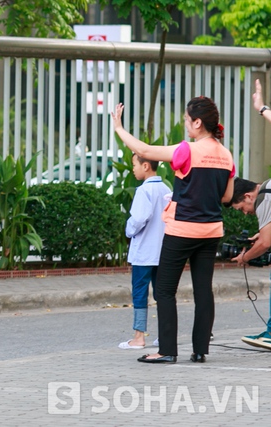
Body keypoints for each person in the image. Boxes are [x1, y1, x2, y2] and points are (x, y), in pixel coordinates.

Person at [111, 96, 235, 364]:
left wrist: (119, 129)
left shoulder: (186, 150)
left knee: (165, 290)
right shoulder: (226, 155)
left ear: (198, 123)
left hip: (181, 230)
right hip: (212, 231)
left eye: (187, 120)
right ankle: (201, 350)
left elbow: (145, 149)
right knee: (204, 290)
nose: (185, 124)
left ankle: (167, 350)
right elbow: (227, 196)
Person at [118, 154, 170, 350]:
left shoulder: (144, 191)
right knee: (162, 294)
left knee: (140, 293)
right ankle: (164, 336)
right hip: (163, 252)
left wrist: (128, 229)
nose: (133, 169)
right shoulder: (166, 189)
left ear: (146, 166)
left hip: (143, 254)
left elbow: (139, 219)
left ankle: (139, 337)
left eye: (134, 165)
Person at [225, 177, 271, 350]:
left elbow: (265, 244)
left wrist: (245, 258)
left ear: (248, 196)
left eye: (241, 208)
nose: (244, 213)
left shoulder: (263, 197)